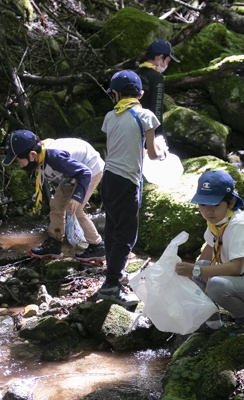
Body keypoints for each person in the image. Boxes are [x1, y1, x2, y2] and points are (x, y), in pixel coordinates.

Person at [175, 170, 244, 337]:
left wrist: (195, 270)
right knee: (199, 269)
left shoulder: (238, 224)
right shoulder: (216, 222)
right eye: (203, 204)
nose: (208, 212)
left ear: (231, 202)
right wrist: (190, 273)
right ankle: (212, 322)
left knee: (215, 285)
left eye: (215, 205)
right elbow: (209, 251)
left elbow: (235, 268)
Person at [98, 70, 167, 307]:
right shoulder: (146, 116)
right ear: (141, 94)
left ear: (115, 94)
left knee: (112, 227)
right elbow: (153, 153)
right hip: (127, 180)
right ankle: (110, 285)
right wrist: (163, 152)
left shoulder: (110, 116)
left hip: (108, 178)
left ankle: (114, 274)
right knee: (127, 234)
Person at [2, 130, 106, 262]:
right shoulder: (41, 157)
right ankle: (55, 244)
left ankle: (97, 246)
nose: (19, 164)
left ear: (32, 154)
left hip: (90, 168)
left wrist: (77, 196)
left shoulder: (55, 157)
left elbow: (84, 173)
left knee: (76, 208)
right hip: (72, 175)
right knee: (56, 205)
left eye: (19, 161)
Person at [135, 39, 179, 143]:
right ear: (159, 58)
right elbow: (157, 106)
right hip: (149, 127)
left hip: (133, 123)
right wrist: (158, 133)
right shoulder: (157, 77)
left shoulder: (137, 72)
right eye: (168, 61)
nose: (167, 65)